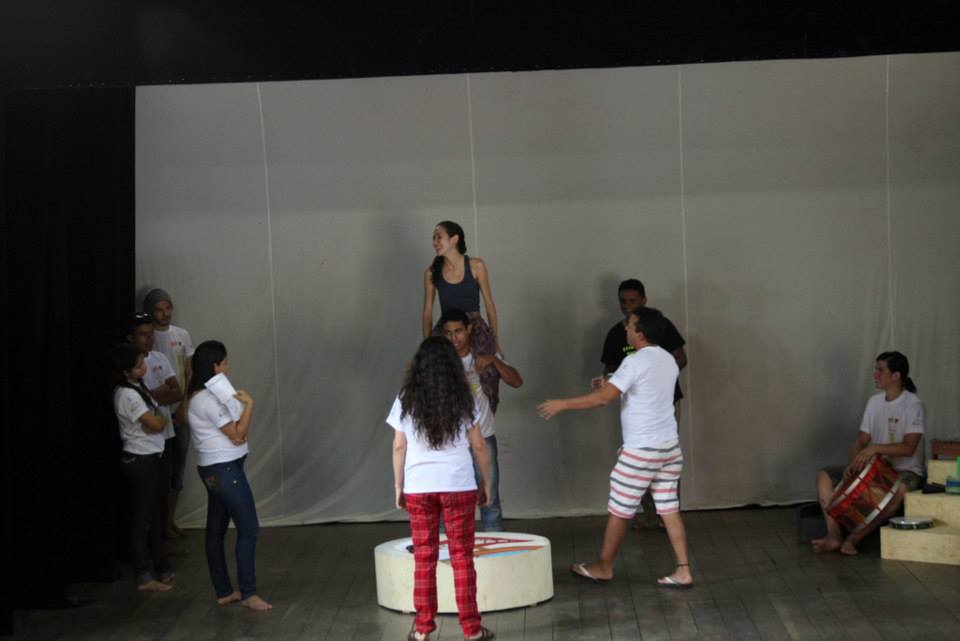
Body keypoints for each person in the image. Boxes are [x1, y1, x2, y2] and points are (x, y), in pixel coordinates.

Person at [539, 307, 693, 588]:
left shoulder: (634, 361)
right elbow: (646, 386)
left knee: (621, 508)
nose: (626, 328)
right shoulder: (668, 360)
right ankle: (683, 569)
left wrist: (563, 404)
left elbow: (603, 399)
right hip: (669, 447)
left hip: (642, 450)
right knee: (669, 508)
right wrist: (611, 382)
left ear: (640, 333)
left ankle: (604, 566)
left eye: (630, 325)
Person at [389, 336, 494, 641]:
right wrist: (486, 482)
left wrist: (398, 485)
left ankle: (422, 629)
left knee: (424, 558)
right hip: (458, 485)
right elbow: (479, 445)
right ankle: (472, 630)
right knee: (462, 557)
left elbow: (399, 446)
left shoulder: (406, 397)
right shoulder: (464, 397)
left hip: (419, 487)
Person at [594, 279, 687, 529]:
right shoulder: (616, 333)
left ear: (644, 300)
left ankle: (668, 513)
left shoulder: (661, 326)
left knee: (664, 458)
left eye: (633, 301)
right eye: (623, 301)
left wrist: (654, 381)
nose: (627, 306)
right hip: (636, 409)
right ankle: (650, 514)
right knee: (640, 459)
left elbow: (680, 358)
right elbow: (610, 370)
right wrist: (611, 381)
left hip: (665, 403)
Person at [186, 340, 272, 611]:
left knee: (216, 529)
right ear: (215, 366)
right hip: (224, 470)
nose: (227, 367)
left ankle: (223, 590)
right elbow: (237, 435)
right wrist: (249, 405)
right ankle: (249, 592)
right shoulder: (207, 400)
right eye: (224, 362)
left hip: (216, 469)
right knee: (248, 528)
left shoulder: (202, 395)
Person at [812, 351, 925, 556]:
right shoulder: (874, 402)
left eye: (880, 370)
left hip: (906, 471)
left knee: (899, 491)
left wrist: (875, 448)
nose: (875, 375)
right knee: (824, 476)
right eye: (875, 370)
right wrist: (854, 463)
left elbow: (909, 448)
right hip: (873, 468)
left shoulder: (913, 404)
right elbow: (861, 441)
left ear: (896, 376)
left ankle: (854, 539)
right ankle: (834, 536)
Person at [440, 308, 523, 532]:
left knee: (490, 499)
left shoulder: (483, 356)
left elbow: (516, 381)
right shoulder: (439, 361)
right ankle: (445, 550)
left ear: (469, 329)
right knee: (446, 502)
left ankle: (494, 550)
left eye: (458, 331)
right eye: (448, 333)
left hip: (484, 437)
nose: (454, 338)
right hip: (451, 442)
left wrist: (494, 360)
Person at [110, 342, 174, 592]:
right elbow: (155, 423)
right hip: (140, 459)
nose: (143, 368)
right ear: (125, 371)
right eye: (138, 366)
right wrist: (156, 422)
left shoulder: (139, 388)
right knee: (142, 517)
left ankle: (161, 567)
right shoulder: (126, 394)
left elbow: (157, 420)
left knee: (154, 515)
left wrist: (155, 422)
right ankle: (143, 574)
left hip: (151, 455)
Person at [422, 220, 503, 412]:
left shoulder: (476, 266)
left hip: (474, 328)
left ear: (454, 239)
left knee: (487, 374)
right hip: (447, 329)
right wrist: (427, 344)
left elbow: (490, 305)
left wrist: (495, 340)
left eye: (439, 237)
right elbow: (427, 311)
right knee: (440, 378)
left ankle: (483, 421)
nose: (435, 242)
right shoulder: (431, 272)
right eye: (433, 238)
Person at [144, 288, 194, 538]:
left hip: (179, 411)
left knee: (177, 469)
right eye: (159, 310)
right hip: (157, 413)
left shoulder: (181, 334)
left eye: (167, 308)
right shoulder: (149, 339)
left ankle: (170, 521)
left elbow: (188, 371)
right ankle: (158, 526)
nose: (164, 314)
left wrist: (183, 405)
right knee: (159, 470)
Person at [128, 313, 182, 541]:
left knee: (164, 488)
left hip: (165, 434)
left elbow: (177, 392)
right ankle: (148, 547)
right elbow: (138, 398)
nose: (148, 339)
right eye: (143, 334)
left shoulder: (160, 357)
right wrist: (158, 394)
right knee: (145, 497)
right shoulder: (129, 365)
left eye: (151, 334)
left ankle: (163, 539)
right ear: (131, 338)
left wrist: (152, 396)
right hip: (144, 443)